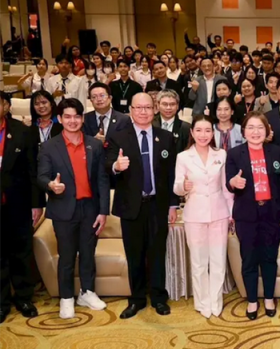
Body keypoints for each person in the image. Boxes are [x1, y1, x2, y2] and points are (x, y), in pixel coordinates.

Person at [106, 93, 179, 319]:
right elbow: (106, 167)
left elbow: (172, 174)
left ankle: (158, 298)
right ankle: (137, 299)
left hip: (158, 205)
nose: (143, 112)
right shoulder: (118, 136)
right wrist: (116, 166)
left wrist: (173, 205)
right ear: (131, 110)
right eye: (138, 108)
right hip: (131, 206)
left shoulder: (166, 137)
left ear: (155, 109)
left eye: (148, 107)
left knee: (157, 253)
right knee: (134, 254)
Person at [37, 98, 110, 319]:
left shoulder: (94, 144)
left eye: (77, 116)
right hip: (63, 209)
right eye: (67, 117)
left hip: (90, 208)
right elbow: (41, 176)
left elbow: (102, 180)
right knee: (67, 256)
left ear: (82, 118)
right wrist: (51, 185)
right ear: (59, 119)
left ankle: (87, 292)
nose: (72, 121)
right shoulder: (49, 146)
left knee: (88, 254)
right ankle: (66, 298)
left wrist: (103, 211)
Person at [227, 112, 280, 320]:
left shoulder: (277, 151)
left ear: (267, 131)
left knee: (270, 258)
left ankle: (269, 298)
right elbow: (229, 181)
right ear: (243, 131)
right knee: (249, 260)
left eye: (260, 127)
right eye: (251, 127)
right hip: (246, 215)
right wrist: (233, 183)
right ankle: (252, 301)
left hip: (272, 213)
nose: (255, 132)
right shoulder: (234, 154)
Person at [173, 116, 233, 318]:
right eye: (198, 130)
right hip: (194, 213)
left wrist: (231, 213)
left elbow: (226, 188)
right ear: (192, 132)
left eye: (207, 130)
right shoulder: (183, 157)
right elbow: (177, 186)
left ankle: (216, 300)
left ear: (213, 133)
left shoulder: (221, 154)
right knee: (198, 261)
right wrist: (183, 186)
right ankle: (202, 302)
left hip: (219, 212)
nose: (203, 135)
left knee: (218, 259)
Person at [0, 91, 42, 323]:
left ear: (7, 106)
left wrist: (36, 204)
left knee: (21, 252)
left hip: (17, 202)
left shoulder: (23, 132)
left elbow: (32, 171)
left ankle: (24, 298)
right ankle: (1, 302)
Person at [153, 90, 191, 155]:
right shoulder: (150, 124)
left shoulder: (186, 127)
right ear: (158, 105)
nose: (168, 108)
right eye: (165, 104)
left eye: (172, 104)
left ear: (177, 106)